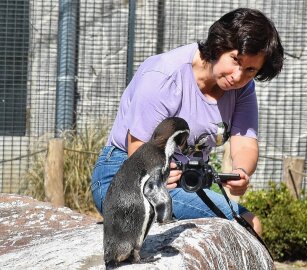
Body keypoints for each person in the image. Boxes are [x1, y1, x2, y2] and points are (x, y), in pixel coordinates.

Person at [91, 7, 284, 236]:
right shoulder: (164, 76)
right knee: (246, 223)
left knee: (247, 225)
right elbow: (137, 147)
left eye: (250, 70)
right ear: (220, 44)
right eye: (235, 60)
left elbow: (245, 142)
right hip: (125, 175)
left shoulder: (242, 89)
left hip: (188, 179)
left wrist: (241, 172)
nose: (238, 76)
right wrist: (159, 175)